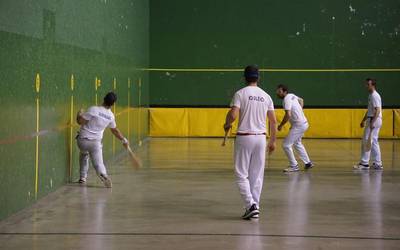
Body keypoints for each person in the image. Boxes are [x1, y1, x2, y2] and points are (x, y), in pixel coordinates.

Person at [224, 65, 277, 220]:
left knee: (241, 174)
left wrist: (227, 124)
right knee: (257, 175)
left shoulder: (240, 93)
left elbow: (233, 115)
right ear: (258, 78)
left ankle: (250, 205)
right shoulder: (266, 96)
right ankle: (255, 207)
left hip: (244, 137)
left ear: (244, 77)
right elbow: (273, 121)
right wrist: (273, 141)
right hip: (261, 138)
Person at [76, 92, 129, 187]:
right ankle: (103, 174)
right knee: (99, 164)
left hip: (82, 141)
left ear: (103, 99)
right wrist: (124, 140)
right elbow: (115, 131)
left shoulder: (94, 109)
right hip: (95, 143)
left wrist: (79, 114)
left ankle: (82, 177)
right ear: (113, 104)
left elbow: (80, 122)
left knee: (84, 153)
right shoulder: (111, 116)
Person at [276, 84, 313, 172]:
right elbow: (301, 100)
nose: (277, 93)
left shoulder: (286, 99)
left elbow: (288, 115)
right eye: (277, 91)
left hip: (299, 125)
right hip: (304, 123)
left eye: (279, 91)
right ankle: (308, 163)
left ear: (285, 92)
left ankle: (294, 165)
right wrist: (300, 112)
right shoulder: (292, 95)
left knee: (286, 145)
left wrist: (281, 125)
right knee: (297, 143)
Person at [354, 78, 383, 170]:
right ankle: (378, 163)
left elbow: (377, 110)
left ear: (373, 85)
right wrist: (363, 120)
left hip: (374, 119)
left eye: (368, 84)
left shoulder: (375, 95)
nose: (366, 86)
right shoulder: (371, 95)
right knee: (373, 141)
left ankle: (364, 163)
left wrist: (372, 122)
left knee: (367, 140)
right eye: (366, 84)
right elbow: (370, 110)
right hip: (373, 119)